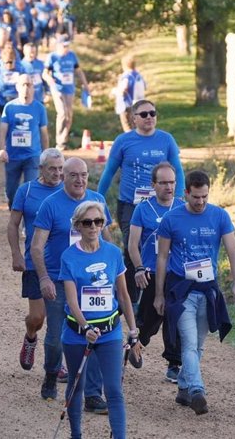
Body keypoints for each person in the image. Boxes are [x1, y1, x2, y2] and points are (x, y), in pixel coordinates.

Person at [154, 169, 235, 415]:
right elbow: (162, 258)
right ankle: (196, 390)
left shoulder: (220, 216)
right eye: (196, 197)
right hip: (181, 291)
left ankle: (183, 386)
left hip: (208, 291)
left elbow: (233, 251)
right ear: (186, 193)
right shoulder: (171, 219)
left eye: (205, 196)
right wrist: (159, 294)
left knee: (200, 345)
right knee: (190, 343)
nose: (201, 202)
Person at [30, 157, 111, 411]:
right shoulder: (51, 204)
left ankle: (93, 394)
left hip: (91, 282)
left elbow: (108, 243)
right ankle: (52, 372)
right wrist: (44, 278)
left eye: (84, 175)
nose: (80, 180)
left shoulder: (97, 201)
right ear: (63, 177)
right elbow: (36, 247)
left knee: (96, 333)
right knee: (57, 337)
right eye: (73, 175)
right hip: (58, 279)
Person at [97, 100, 184, 326]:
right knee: (131, 246)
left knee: (160, 247)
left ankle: (157, 294)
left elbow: (178, 171)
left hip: (163, 203)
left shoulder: (166, 140)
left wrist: (180, 200)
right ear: (133, 118)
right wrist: (97, 199)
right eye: (143, 114)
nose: (148, 117)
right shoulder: (124, 141)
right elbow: (109, 171)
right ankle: (130, 300)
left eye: (152, 113)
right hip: (130, 204)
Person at [60, 201, 140, 439]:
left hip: (110, 332)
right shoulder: (69, 256)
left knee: (114, 390)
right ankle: (76, 434)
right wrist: (85, 327)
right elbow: (72, 300)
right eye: (87, 222)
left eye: (98, 221)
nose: (93, 227)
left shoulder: (113, 253)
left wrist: (133, 330)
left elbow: (124, 295)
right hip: (77, 332)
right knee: (76, 388)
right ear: (78, 226)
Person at [9, 148, 64, 371]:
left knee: (60, 318)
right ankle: (30, 336)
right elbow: (13, 224)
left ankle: (57, 362)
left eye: (61, 169)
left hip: (63, 263)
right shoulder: (27, 190)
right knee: (37, 316)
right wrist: (15, 253)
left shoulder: (68, 191)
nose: (57, 173)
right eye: (52, 168)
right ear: (40, 169)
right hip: (35, 262)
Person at [127, 162, 184, 379]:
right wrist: (139, 268)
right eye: (163, 183)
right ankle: (137, 344)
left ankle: (173, 364)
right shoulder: (143, 209)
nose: (168, 187)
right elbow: (133, 244)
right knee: (149, 320)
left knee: (174, 318)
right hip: (150, 271)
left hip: (176, 273)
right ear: (153, 184)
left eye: (172, 182)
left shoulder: (181, 208)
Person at [0, 73, 49, 208]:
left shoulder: (39, 108)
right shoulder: (9, 107)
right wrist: (1, 149)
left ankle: (27, 225)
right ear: (17, 87)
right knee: (11, 191)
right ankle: (14, 211)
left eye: (29, 85)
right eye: (23, 85)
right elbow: (2, 130)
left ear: (34, 88)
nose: (26, 88)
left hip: (32, 156)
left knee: (30, 190)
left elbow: (44, 133)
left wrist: (46, 154)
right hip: (13, 156)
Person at [42, 35, 90, 150]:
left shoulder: (72, 55)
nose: (66, 48)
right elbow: (44, 74)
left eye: (67, 45)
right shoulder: (52, 57)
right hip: (57, 89)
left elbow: (78, 71)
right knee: (62, 113)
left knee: (69, 115)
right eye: (64, 46)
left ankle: (63, 140)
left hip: (69, 89)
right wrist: (50, 80)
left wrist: (85, 84)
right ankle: (59, 141)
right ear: (58, 45)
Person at [113, 55, 145, 131]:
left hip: (127, 105)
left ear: (124, 66)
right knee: (137, 127)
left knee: (128, 127)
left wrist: (115, 91)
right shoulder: (138, 75)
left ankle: (130, 142)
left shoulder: (126, 76)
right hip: (138, 105)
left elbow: (124, 88)